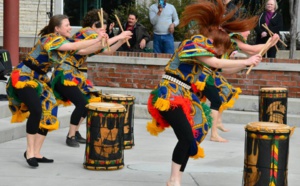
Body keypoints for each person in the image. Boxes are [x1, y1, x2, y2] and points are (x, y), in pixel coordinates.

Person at [146, 0, 262, 185]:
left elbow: (221, 69)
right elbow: (217, 63)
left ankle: (175, 179)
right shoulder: (192, 44)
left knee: (189, 137)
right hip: (170, 95)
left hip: (182, 95)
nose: (219, 54)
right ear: (214, 42)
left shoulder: (204, 55)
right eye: (220, 50)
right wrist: (246, 61)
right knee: (185, 137)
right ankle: (173, 180)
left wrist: (245, 63)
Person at [6, 14, 104, 167]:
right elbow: (74, 46)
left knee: (50, 108)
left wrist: (104, 39)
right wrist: (97, 38)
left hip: (39, 79)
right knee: (36, 110)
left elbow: (82, 47)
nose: (70, 27)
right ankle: (29, 151)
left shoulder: (63, 41)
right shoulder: (49, 39)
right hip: (24, 76)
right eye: (67, 25)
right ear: (57, 29)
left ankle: (36, 152)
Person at [51, 9, 132, 147]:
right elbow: (84, 50)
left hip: (73, 73)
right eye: (102, 28)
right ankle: (70, 136)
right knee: (82, 103)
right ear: (94, 25)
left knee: (90, 101)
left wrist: (121, 41)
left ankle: (75, 131)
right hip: (64, 74)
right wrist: (117, 37)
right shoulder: (86, 32)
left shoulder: (92, 36)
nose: (103, 31)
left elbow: (107, 51)